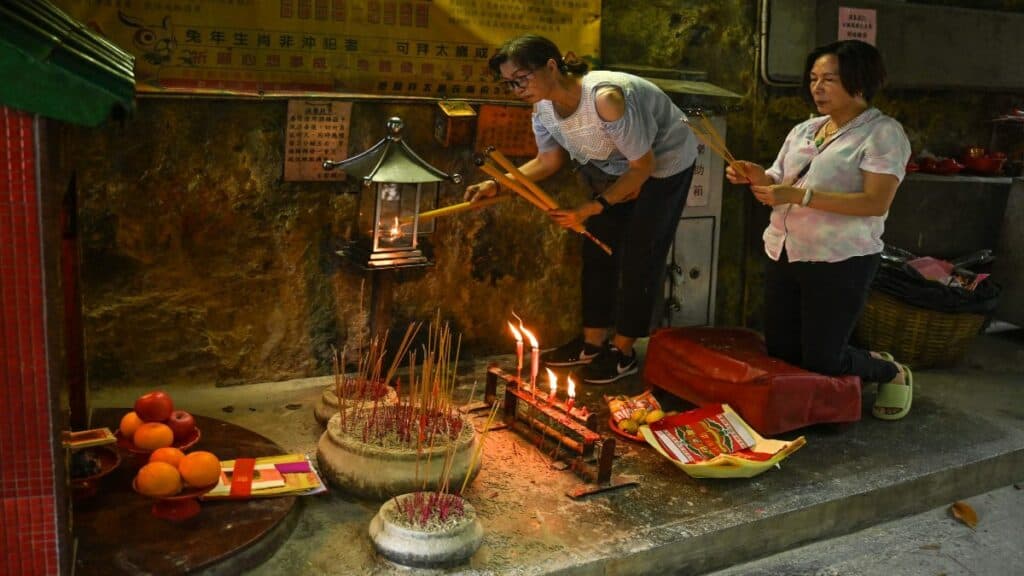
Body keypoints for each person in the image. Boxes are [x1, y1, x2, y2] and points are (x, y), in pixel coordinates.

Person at [465, 34, 697, 384]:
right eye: (509, 83)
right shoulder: (543, 108)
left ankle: (623, 350)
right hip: (621, 168)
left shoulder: (606, 99)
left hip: (664, 163)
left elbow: (644, 166)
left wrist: (592, 207)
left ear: (552, 66)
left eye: (522, 78)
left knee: (640, 255)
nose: (517, 89)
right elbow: (548, 161)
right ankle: (591, 344)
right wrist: (498, 184)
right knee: (597, 248)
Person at [725, 40, 913, 420]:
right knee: (782, 352)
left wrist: (798, 194)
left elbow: (875, 202)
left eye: (829, 79)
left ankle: (890, 370)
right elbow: (779, 177)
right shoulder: (806, 129)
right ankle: (814, 406)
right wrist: (755, 175)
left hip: (840, 257)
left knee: (824, 357)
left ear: (859, 82)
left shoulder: (882, 133)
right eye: (813, 78)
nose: (817, 87)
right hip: (785, 249)